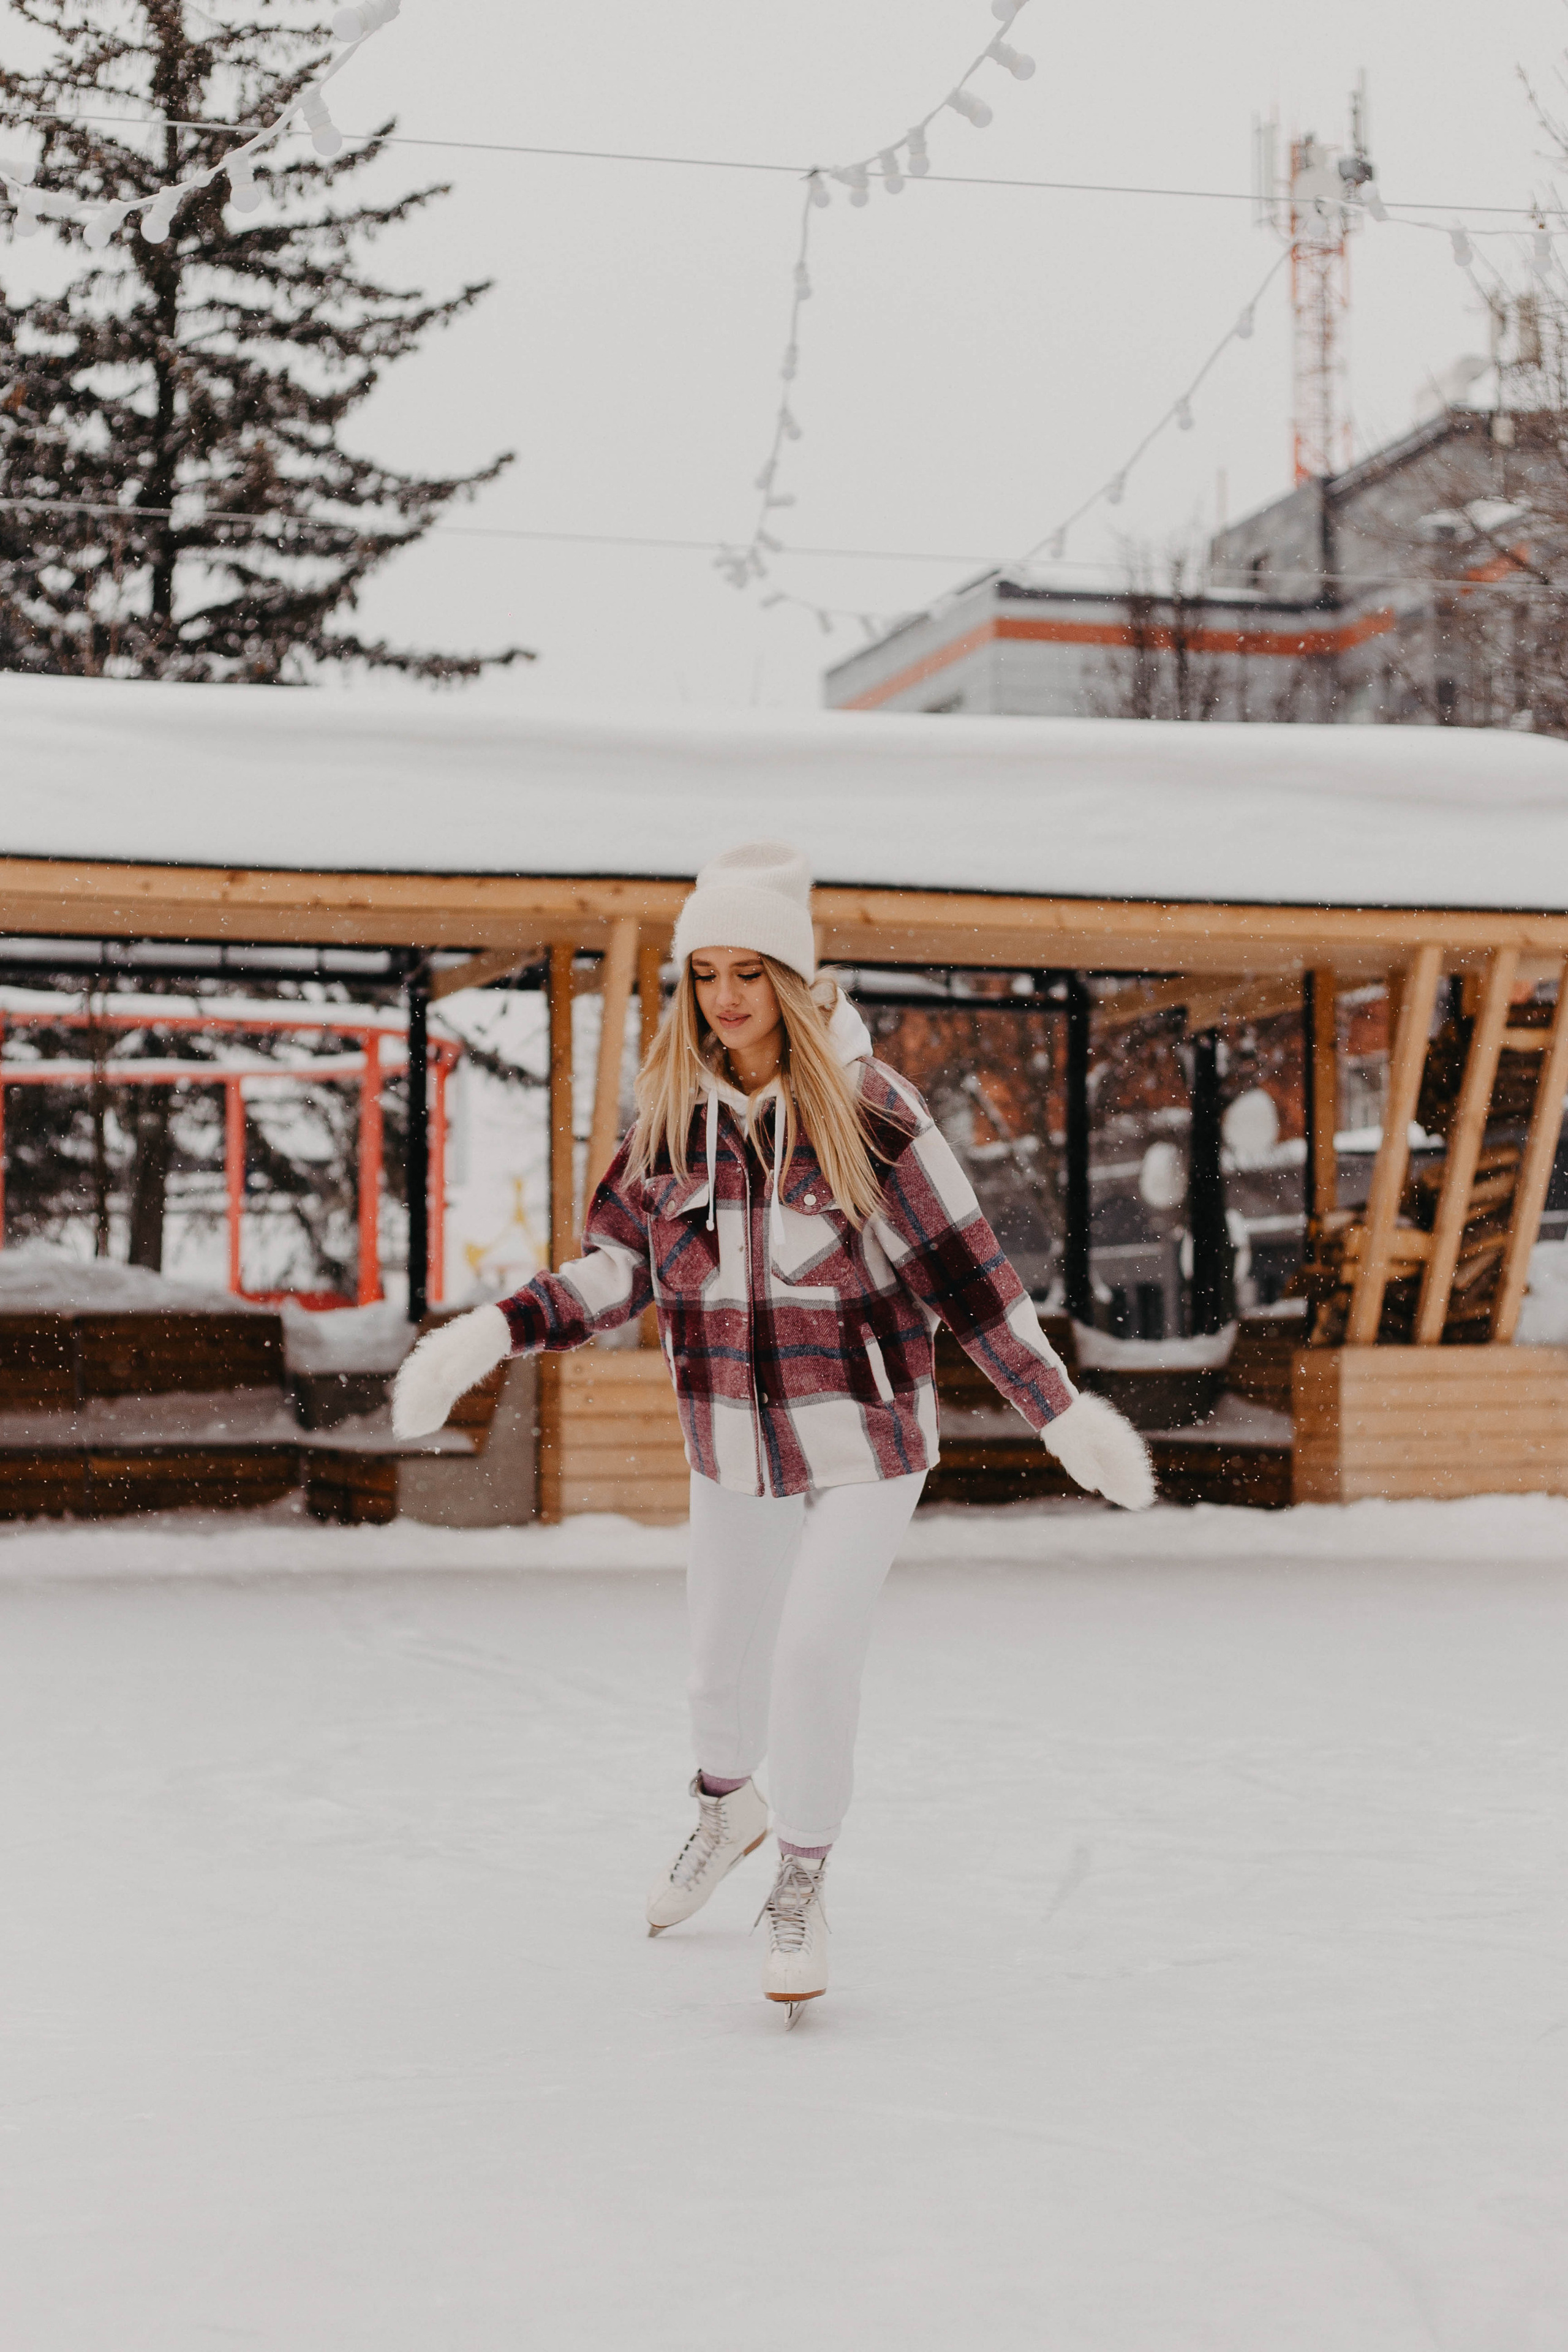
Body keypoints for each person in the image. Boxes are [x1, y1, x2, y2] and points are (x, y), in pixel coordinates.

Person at [394, 840, 1153, 2016]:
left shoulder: (870, 1111)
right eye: (707, 973)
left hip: (863, 1436)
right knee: (717, 1666)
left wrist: (1059, 1413)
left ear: (793, 981)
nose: (727, 997)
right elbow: (614, 1269)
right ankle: (725, 1809)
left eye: (751, 971)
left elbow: (971, 1278)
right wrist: (492, 1334)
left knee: (809, 1655)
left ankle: (802, 1876)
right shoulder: (669, 1124)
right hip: (732, 1439)